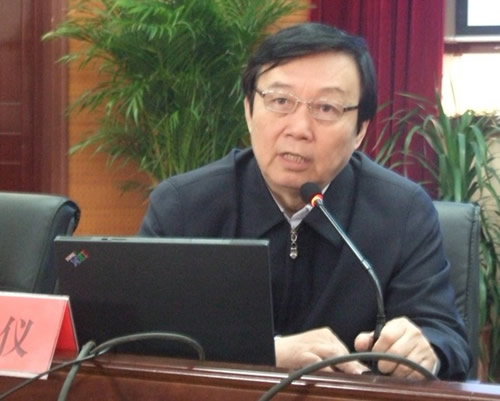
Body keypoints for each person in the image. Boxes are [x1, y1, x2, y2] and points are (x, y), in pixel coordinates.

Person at [139, 22, 471, 380]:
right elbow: (134, 337)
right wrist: (267, 353)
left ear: (360, 130)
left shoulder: (403, 213)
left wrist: (426, 351)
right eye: (280, 101)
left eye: (326, 108)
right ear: (249, 110)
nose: (299, 129)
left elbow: (446, 338)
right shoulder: (183, 207)